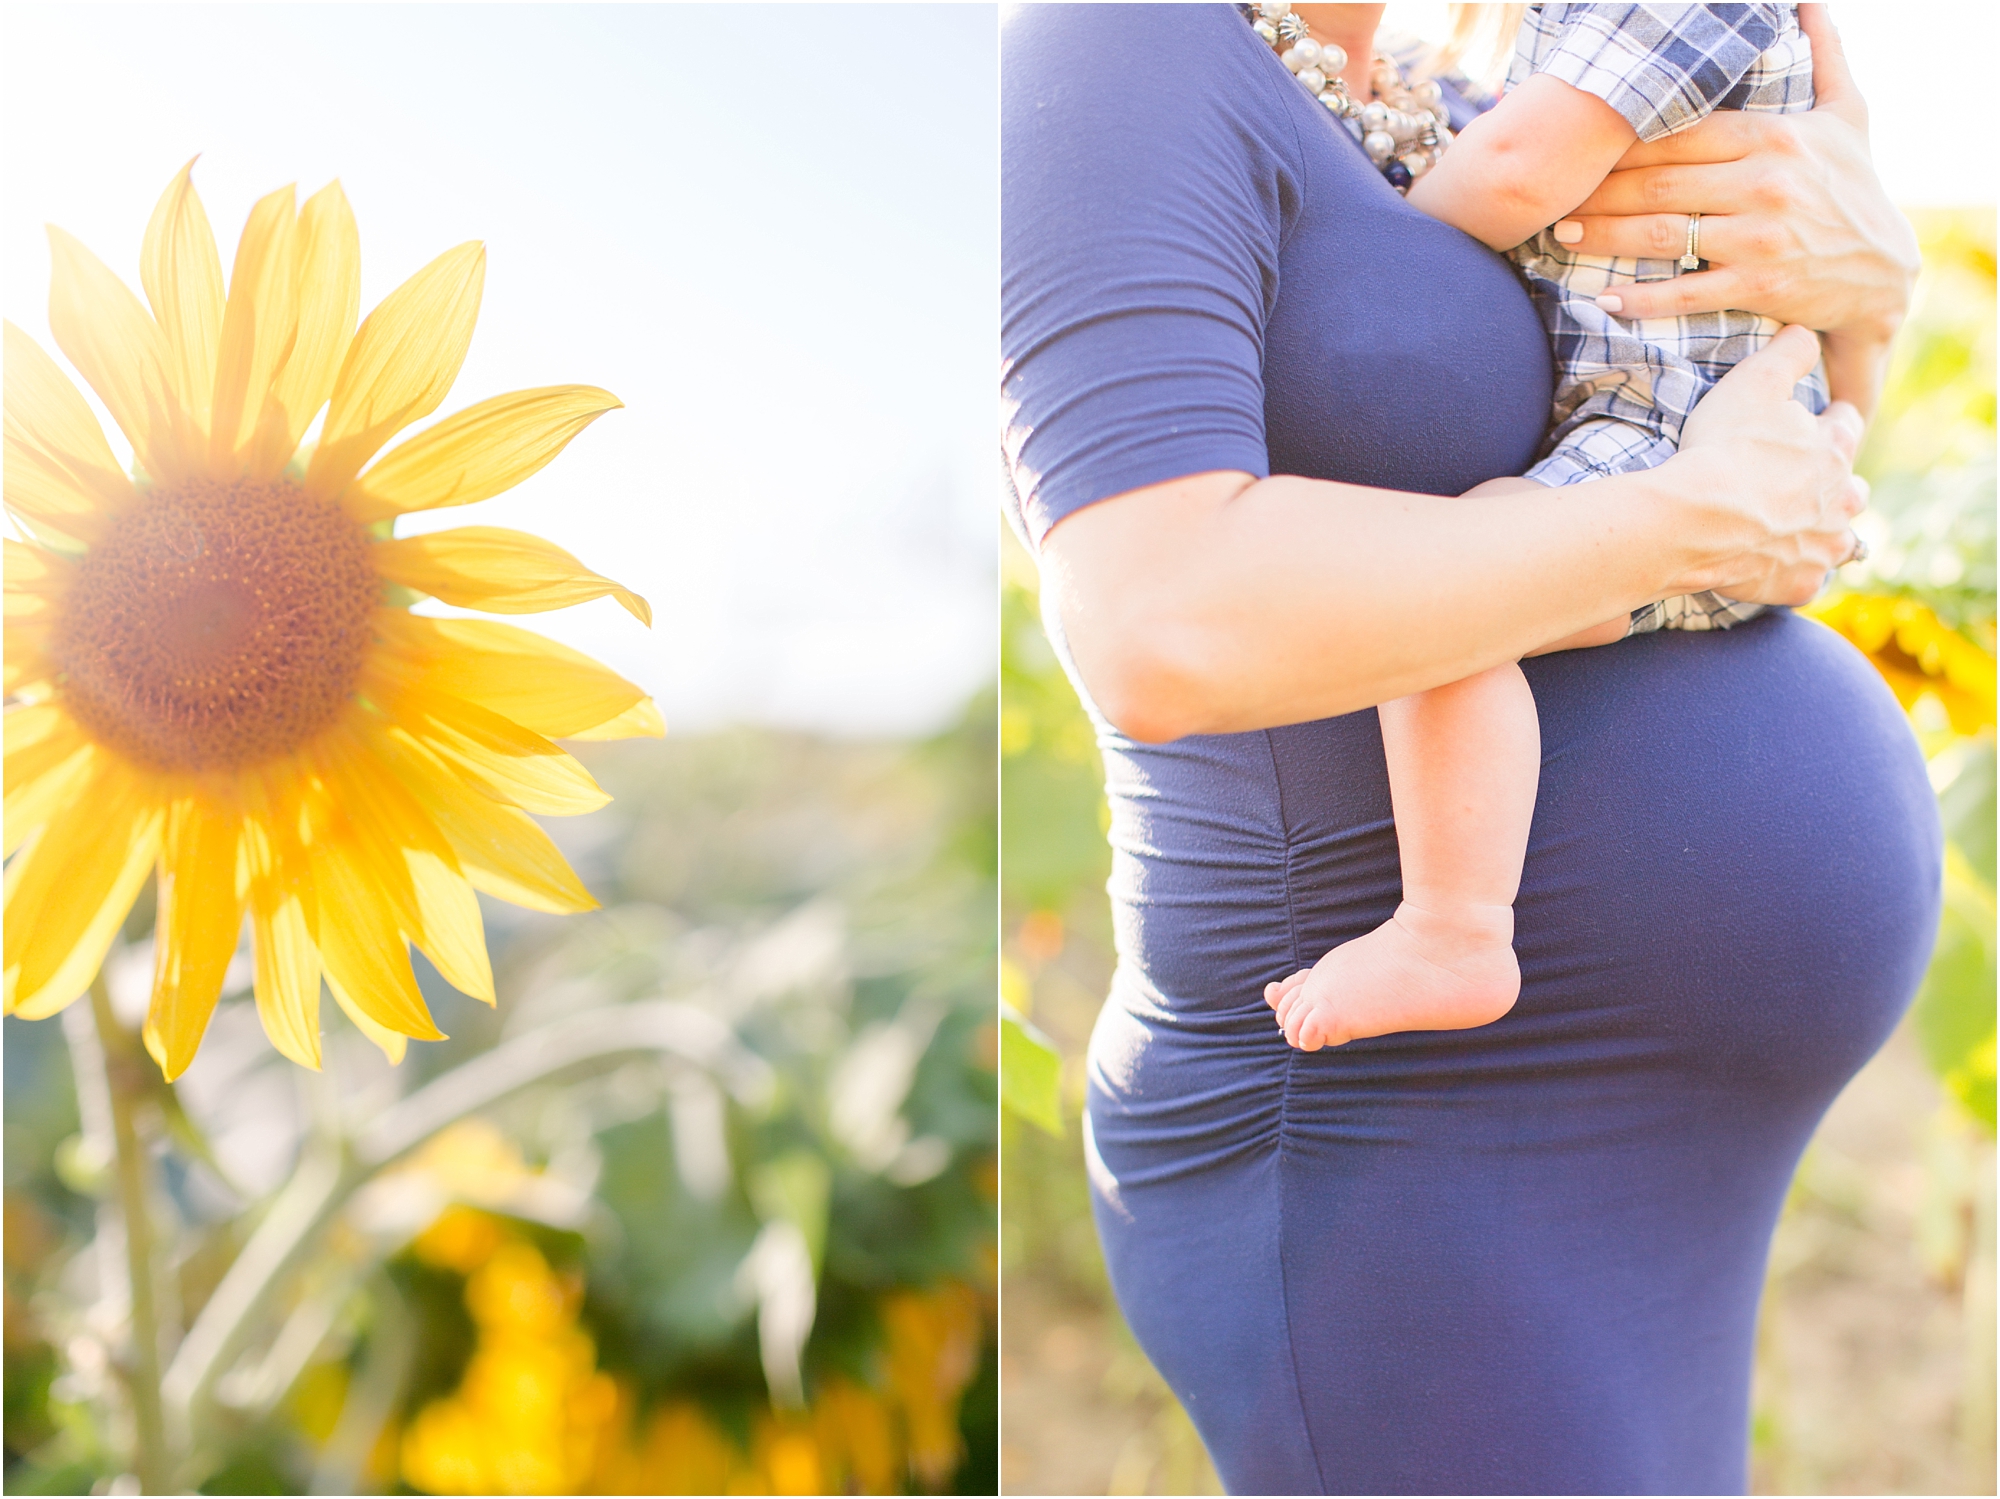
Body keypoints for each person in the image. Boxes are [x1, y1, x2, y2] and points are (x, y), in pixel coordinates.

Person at [1001, 3, 1940, 1493]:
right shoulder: (1122, 48)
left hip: (1658, 1167)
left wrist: (1872, 300)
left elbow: (1776, 486)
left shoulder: (1449, 97)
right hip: (1404, 1151)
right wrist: (1676, 524)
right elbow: (1155, 619)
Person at [1264, 3, 1836, 1055]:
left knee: (1446, 592)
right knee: (1447, 586)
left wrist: (1356, 240)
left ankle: (1453, 928)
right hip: (1669, 422)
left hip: (1672, 428)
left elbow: (1520, 171)